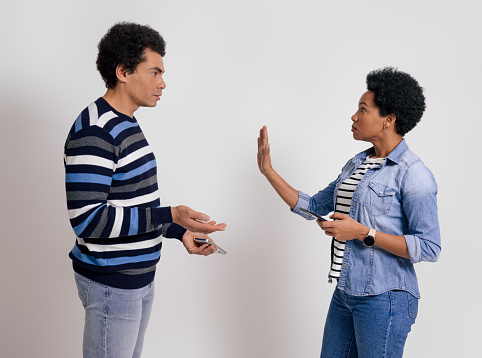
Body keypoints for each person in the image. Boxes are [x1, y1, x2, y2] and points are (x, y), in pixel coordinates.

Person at [64, 22, 226, 358]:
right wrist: (168, 214)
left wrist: (178, 230)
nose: (162, 83)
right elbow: (88, 221)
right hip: (112, 284)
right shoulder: (95, 131)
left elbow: (133, 201)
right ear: (123, 72)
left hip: (136, 280)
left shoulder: (126, 122)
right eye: (154, 72)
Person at [257, 67, 441, 357]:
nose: (354, 116)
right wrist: (268, 171)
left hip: (385, 298)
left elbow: (429, 247)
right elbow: (315, 206)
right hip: (345, 292)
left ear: (388, 121)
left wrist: (362, 233)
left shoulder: (414, 174)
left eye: (363, 109)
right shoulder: (357, 164)